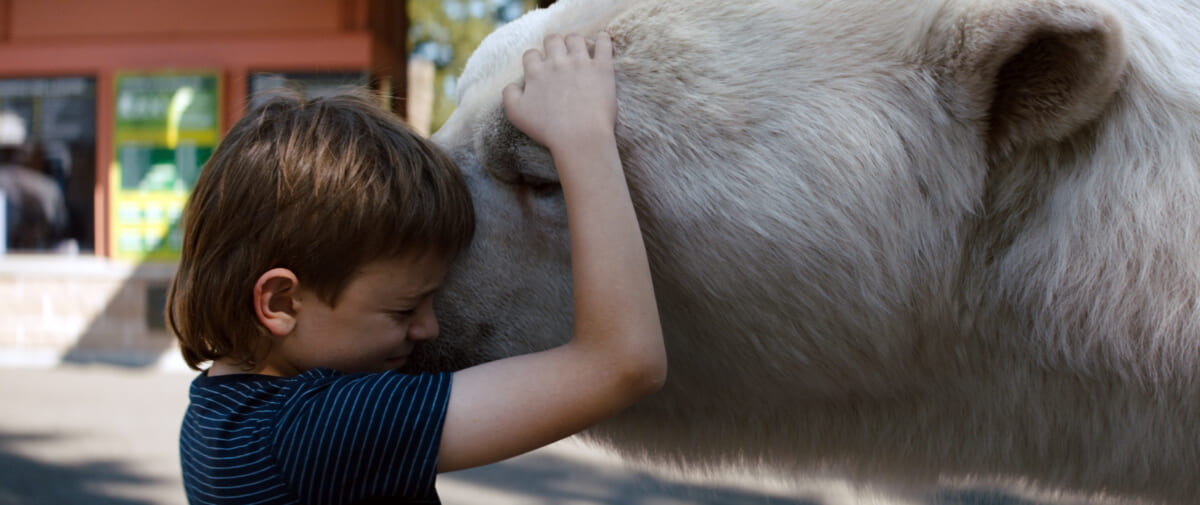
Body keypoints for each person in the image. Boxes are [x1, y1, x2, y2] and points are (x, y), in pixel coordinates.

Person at [169, 31, 665, 505]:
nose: (428, 327)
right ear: (280, 302)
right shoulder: (316, 431)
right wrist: (584, 136)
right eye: (403, 310)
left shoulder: (215, 410)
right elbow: (622, 364)